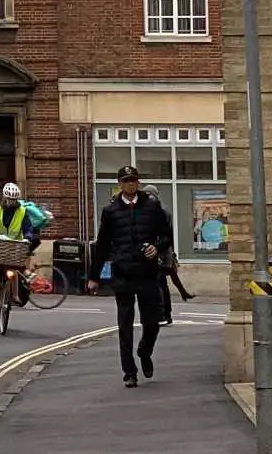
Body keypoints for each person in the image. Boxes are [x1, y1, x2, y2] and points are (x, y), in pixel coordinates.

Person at [89, 165, 176, 388]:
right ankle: (129, 371)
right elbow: (102, 244)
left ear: (138, 182)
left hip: (147, 273)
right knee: (124, 325)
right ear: (120, 184)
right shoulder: (111, 211)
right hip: (123, 273)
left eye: (134, 180)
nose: (130, 184)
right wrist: (94, 276)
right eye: (126, 181)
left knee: (152, 323)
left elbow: (166, 236)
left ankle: (144, 352)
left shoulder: (151, 206)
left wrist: (156, 247)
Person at [0, 182, 43, 316]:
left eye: (14, 199)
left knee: (14, 268)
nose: (11, 202)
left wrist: (28, 236)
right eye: (9, 199)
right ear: (5, 198)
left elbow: (28, 227)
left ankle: (15, 296)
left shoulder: (22, 211)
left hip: (15, 245)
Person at [139, 185, 194, 324]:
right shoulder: (158, 210)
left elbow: (164, 235)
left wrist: (163, 253)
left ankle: (162, 314)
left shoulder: (159, 211)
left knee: (159, 284)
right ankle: (167, 313)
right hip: (162, 252)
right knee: (162, 283)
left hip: (160, 253)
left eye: (149, 194)